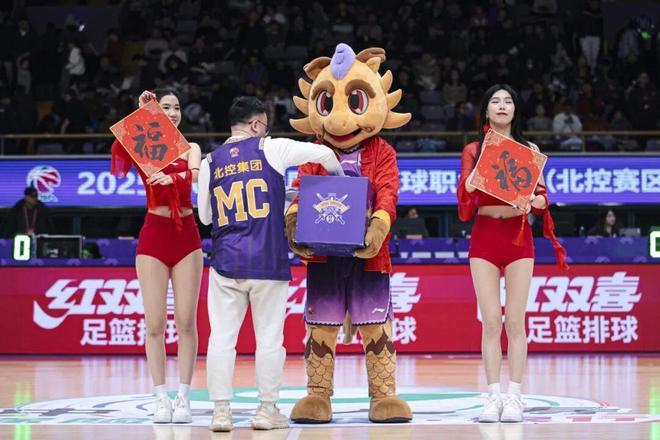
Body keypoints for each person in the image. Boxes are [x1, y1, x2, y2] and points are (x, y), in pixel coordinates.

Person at [197, 96, 343, 432]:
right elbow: (324, 154)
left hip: (226, 262)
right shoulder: (272, 148)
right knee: (269, 341)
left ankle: (221, 413)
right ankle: (266, 410)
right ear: (256, 124)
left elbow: (205, 216)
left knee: (221, 339)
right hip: (268, 260)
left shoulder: (210, 161)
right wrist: (339, 182)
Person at [457, 84, 568, 423]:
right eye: (495, 101)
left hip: (519, 236)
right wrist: (475, 177)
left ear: (515, 110)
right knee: (491, 321)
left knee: (516, 321)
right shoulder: (474, 149)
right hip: (485, 235)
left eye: (508, 101)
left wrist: (537, 200)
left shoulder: (529, 150)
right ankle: (493, 396)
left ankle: (515, 396)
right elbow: (464, 194)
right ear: (486, 110)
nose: (502, 106)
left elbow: (543, 197)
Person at [110, 89, 203, 424]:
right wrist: (141, 114)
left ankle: (184, 397)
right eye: (165, 107)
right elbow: (119, 149)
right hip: (153, 233)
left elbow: (195, 175)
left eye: (176, 107)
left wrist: (173, 176)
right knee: (154, 324)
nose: (173, 112)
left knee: (186, 321)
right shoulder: (145, 147)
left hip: (186, 235)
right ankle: (161, 397)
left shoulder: (191, 147)